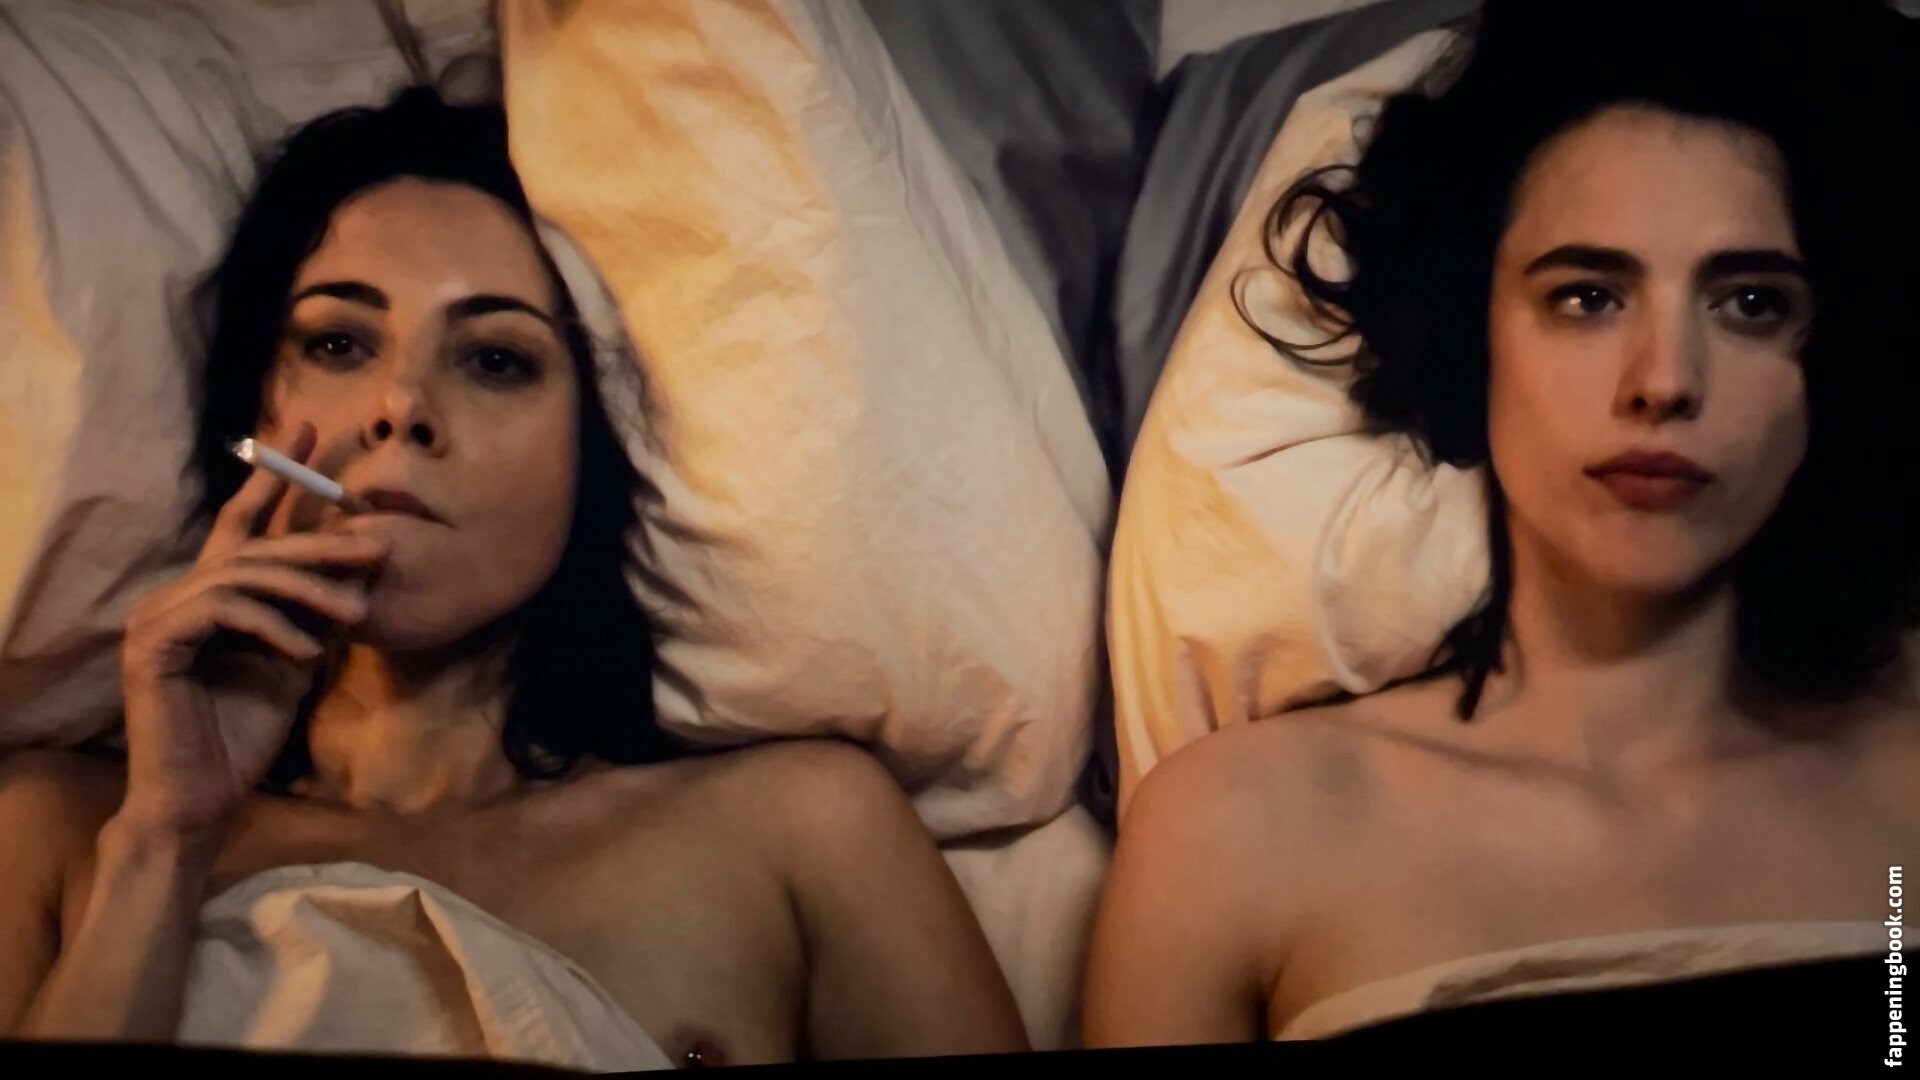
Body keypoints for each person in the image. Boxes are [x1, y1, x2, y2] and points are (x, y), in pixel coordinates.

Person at [0, 88, 1026, 1067]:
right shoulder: (58, 834)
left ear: (591, 445)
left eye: (496, 359)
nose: (401, 404)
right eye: (340, 342)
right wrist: (163, 843)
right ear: (260, 414)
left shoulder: (800, 831)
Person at [1084, 0, 1920, 1044]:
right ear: (1471, 339)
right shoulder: (1237, 827)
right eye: (1587, 297)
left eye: (1751, 304)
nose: (1665, 380)